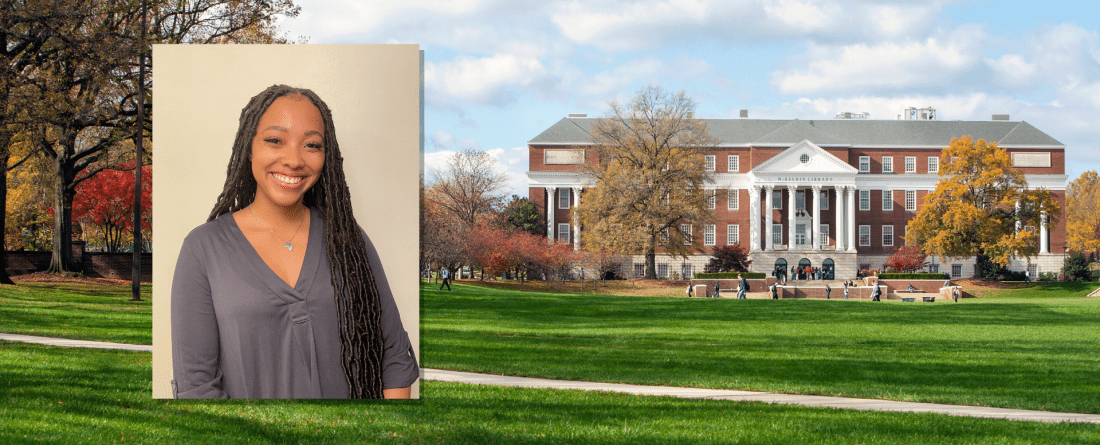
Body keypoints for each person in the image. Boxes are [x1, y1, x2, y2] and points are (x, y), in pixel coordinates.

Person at [171, 85, 418, 399]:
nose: (294, 160)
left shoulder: (347, 240)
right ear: (249, 147)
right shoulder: (203, 249)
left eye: (312, 145)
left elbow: (393, 358)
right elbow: (196, 388)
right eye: (275, 140)